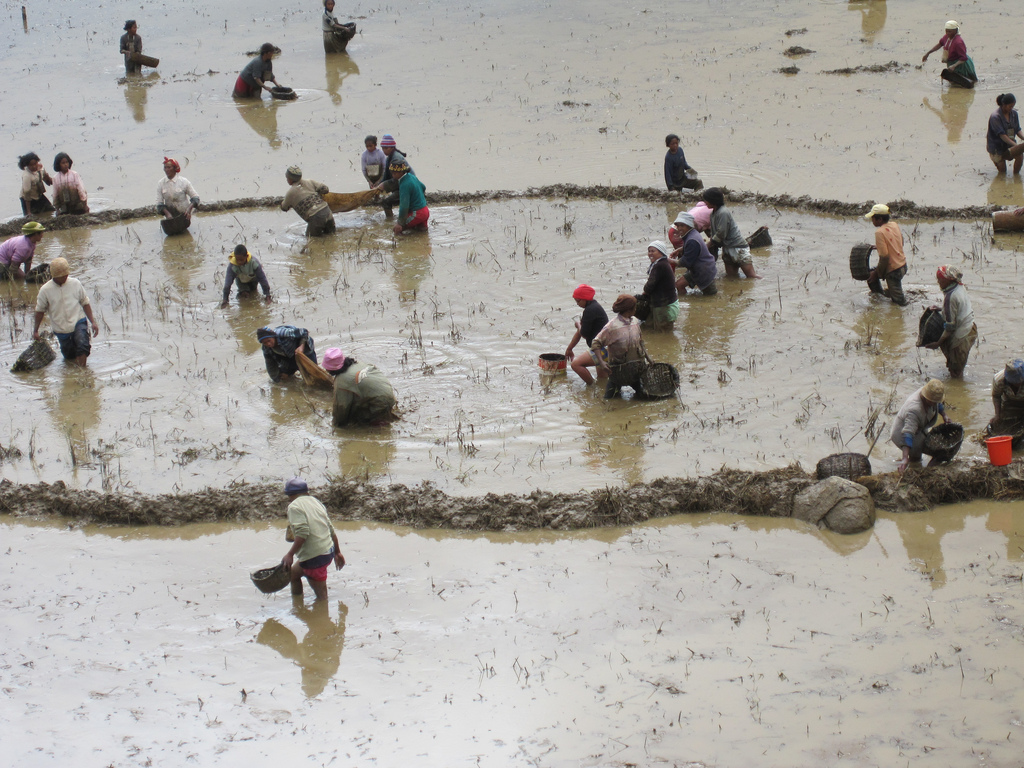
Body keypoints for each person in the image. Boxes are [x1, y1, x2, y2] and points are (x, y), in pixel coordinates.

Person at [281, 477, 345, 601]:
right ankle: (297, 605)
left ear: (290, 495)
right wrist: (337, 552)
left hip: (314, 558)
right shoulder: (316, 502)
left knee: (322, 598)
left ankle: (319, 617)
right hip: (328, 551)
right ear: (306, 492)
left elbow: (303, 533)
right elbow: (331, 529)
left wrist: (290, 554)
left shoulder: (294, 507)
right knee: (293, 575)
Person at [32, 257, 100, 367]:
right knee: (70, 356)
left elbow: (85, 303)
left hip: (78, 321)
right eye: (62, 276)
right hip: (61, 329)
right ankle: (73, 375)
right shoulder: (45, 290)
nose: (65, 277)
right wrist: (35, 330)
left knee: (83, 346)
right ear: (54, 276)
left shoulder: (75, 284)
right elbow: (40, 311)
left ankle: (81, 375)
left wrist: (93, 322)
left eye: (66, 275)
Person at [591, 294, 651, 399]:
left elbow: (641, 341)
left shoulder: (635, 321)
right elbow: (596, 343)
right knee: (609, 400)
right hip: (618, 371)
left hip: (636, 370)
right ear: (629, 309)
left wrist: (648, 357)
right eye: (635, 307)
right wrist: (601, 362)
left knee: (645, 396)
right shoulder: (612, 327)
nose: (636, 309)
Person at [322, 348, 398, 427]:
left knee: (357, 419)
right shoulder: (358, 364)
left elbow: (341, 407)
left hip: (379, 403)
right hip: (390, 396)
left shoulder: (342, 381)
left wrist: (336, 426)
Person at [925, 265, 977, 378]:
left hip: (961, 336)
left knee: (955, 372)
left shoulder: (950, 297)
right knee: (958, 366)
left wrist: (937, 343)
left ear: (948, 281)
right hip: (970, 327)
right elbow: (958, 309)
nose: (938, 282)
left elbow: (949, 327)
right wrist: (942, 309)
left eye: (940, 280)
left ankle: (958, 389)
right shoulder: (959, 286)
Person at [890, 379, 949, 473]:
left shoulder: (930, 393)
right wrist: (905, 458)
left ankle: (924, 469)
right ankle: (915, 471)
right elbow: (908, 433)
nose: (934, 404)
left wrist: (945, 415)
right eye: (933, 402)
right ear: (927, 398)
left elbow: (938, 404)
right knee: (916, 459)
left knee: (930, 449)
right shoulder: (915, 409)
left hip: (919, 428)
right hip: (902, 432)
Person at [703, 187, 762, 280]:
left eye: (706, 200)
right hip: (727, 248)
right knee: (732, 278)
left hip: (738, 248)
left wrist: (707, 245)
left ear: (712, 201)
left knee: (752, 276)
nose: (705, 202)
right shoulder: (713, 214)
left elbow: (721, 233)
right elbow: (715, 232)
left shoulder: (723, 213)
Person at [863, 203, 907, 306]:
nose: (872, 221)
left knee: (900, 302)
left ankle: (898, 313)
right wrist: (880, 246)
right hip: (903, 265)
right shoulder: (894, 225)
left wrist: (877, 273)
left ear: (879, 219)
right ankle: (880, 297)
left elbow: (884, 257)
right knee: (894, 291)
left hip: (893, 271)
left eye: (873, 218)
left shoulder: (879, 232)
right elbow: (900, 242)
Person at [564, 284, 609, 385]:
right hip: (606, 347)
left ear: (585, 299)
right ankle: (600, 391)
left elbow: (583, 333)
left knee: (575, 365)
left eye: (578, 301)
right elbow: (579, 333)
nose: (577, 304)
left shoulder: (590, 310)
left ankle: (591, 387)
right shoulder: (594, 307)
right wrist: (569, 349)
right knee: (602, 379)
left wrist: (578, 325)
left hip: (601, 348)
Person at [669, 212, 718, 296]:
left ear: (688, 226)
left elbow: (685, 262)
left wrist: (670, 260)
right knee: (679, 285)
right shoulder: (693, 233)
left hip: (703, 271)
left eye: (682, 226)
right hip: (701, 268)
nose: (679, 228)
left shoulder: (692, 240)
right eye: (678, 225)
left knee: (711, 296)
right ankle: (682, 302)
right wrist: (680, 249)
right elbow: (694, 247)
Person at [281, 166, 336, 236]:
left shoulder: (291, 193)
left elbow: (284, 208)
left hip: (315, 217)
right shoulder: (310, 181)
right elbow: (325, 189)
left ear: (290, 179)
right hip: (327, 211)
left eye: (287, 177)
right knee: (331, 236)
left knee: (312, 240)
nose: (286, 179)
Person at [922, 20, 977, 86]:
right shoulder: (946, 37)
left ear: (956, 30)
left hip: (961, 64)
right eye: (946, 31)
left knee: (965, 81)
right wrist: (928, 53)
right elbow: (939, 44)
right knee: (953, 82)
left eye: (950, 31)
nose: (948, 33)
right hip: (951, 62)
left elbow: (963, 58)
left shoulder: (958, 42)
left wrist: (954, 66)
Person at [641, 241, 680, 328]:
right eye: (649, 251)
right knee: (649, 327)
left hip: (663, 306)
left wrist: (645, 292)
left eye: (653, 251)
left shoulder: (659, 265)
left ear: (661, 252)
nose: (650, 253)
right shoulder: (663, 263)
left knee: (663, 332)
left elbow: (650, 285)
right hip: (667, 303)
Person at [372, 134, 411, 218]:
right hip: (401, 185)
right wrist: (378, 184)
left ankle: (390, 220)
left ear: (392, 147)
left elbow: (399, 178)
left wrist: (383, 185)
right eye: (383, 148)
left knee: (386, 202)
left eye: (386, 148)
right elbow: (387, 175)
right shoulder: (389, 158)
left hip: (406, 186)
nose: (384, 150)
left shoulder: (396, 159)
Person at [987, 94, 1024, 175]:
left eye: (1013, 106)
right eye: (1010, 106)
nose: (1011, 108)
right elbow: (1002, 136)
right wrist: (1016, 145)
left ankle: (1016, 176)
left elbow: (1017, 130)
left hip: (1009, 145)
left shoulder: (1014, 114)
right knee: (1002, 171)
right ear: (1003, 105)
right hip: (997, 149)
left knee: (1020, 155)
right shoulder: (995, 117)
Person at [156, 157, 200, 227]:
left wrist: (189, 209)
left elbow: (196, 198)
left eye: (169, 167)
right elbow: (159, 204)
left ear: (175, 168)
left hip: (184, 216)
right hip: (170, 218)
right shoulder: (161, 183)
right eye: (165, 168)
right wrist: (167, 214)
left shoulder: (184, 182)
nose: (166, 170)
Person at [389, 161, 429, 234]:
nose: (393, 175)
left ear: (401, 173)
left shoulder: (404, 184)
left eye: (394, 173)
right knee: (422, 232)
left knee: (397, 230)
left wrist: (400, 223)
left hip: (417, 214)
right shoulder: (412, 176)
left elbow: (404, 206)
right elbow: (423, 187)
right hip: (425, 210)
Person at [990, 360, 1024, 427]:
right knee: (1003, 423)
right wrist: (997, 415)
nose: (1017, 383)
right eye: (1015, 382)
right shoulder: (999, 380)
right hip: (1009, 402)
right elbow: (996, 396)